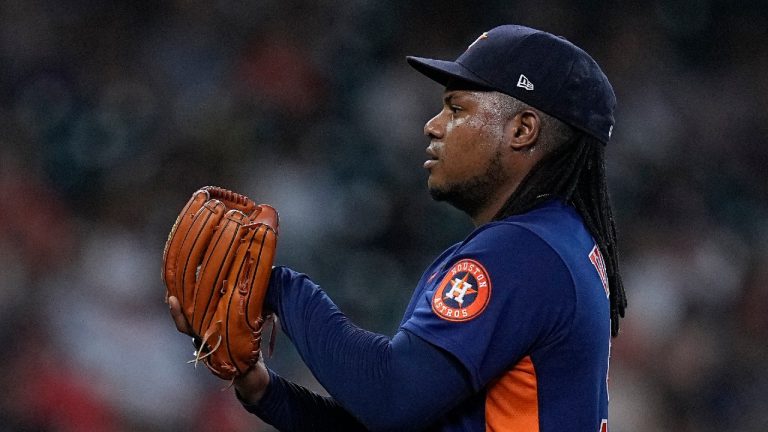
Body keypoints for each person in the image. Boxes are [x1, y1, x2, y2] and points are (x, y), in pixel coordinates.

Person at [170, 24, 627, 431]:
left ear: (522, 129)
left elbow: (392, 398)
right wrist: (267, 394)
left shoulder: (523, 251)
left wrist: (281, 288)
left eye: (457, 108)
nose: (433, 125)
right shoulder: (557, 242)